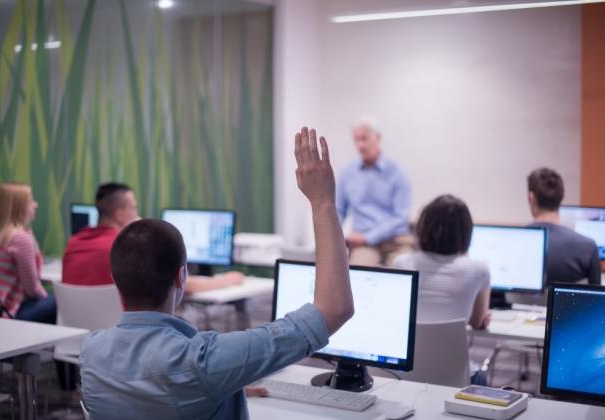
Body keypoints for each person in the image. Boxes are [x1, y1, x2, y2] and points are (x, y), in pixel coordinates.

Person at [80, 127, 354, 419]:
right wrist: (322, 203)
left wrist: (226, 384)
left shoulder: (91, 353)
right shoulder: (204, 363)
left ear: (116, 282)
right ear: (181, 277)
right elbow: (333, 309)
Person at [62, 182, 244, 292]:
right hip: (124, 339)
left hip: (82, 340)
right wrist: (225, 280)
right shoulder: (124, 249)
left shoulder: (74, 243)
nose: (137, 213)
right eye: (134, 208)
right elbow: (182, 285)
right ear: (119, 214)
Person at [393, 195, 490, 384]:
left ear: (423, 227)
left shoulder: (402, 262)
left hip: (402, 372)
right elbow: (477, 321)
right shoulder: (478, 269)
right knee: (480, 377)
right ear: (466, 232)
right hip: (456, 376)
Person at [336, 119, 414, 266]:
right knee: (358, 274)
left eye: (364, 139)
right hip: (363, 245)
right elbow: (339, 211)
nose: (360, 145)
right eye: (356, 140)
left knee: (403, 274)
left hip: (396, 241)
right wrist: (334, 239)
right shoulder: (347, 174)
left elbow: (401, 217)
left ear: (377, 138)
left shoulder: (397, 173)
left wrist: (368, 237)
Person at [0, 182, 55, 322]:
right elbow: (33, 289)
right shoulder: (20, 239)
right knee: (60, 300)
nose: (35, 205)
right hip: (7, 314)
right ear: (19, 207)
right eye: (30, 201)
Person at [527, 168, 600, 286]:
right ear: (562, 197)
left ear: (531, 198)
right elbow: (595, 298)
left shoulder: (511, 242)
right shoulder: (588, 247)